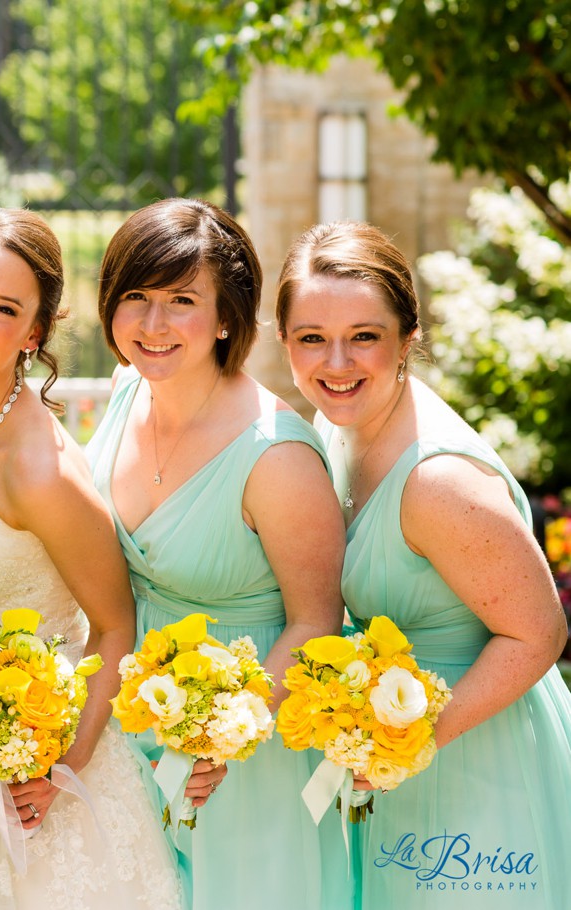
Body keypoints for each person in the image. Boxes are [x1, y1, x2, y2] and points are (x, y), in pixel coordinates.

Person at [277, 221, 571, 909]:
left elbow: (538, 634)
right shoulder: (336, 426)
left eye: (364, 336)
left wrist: (405, 741)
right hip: (393, 765)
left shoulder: (436, 481)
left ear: (408, 338)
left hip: (476, 759)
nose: (336, 362)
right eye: (311, 338)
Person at [0, 208, 182, 909]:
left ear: (33, 333)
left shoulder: (39, 470)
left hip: (48, 769)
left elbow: (114, 625)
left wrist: (62, 763)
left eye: (4, 310)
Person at [86, 198, 350, 910]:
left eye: (181, 301)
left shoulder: (275, 456)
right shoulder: (123, 396)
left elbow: (316, 622)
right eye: (134, 298)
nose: (153, 324)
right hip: (136, 721)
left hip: (245, 745)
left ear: (227, 315)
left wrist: (222, 734)